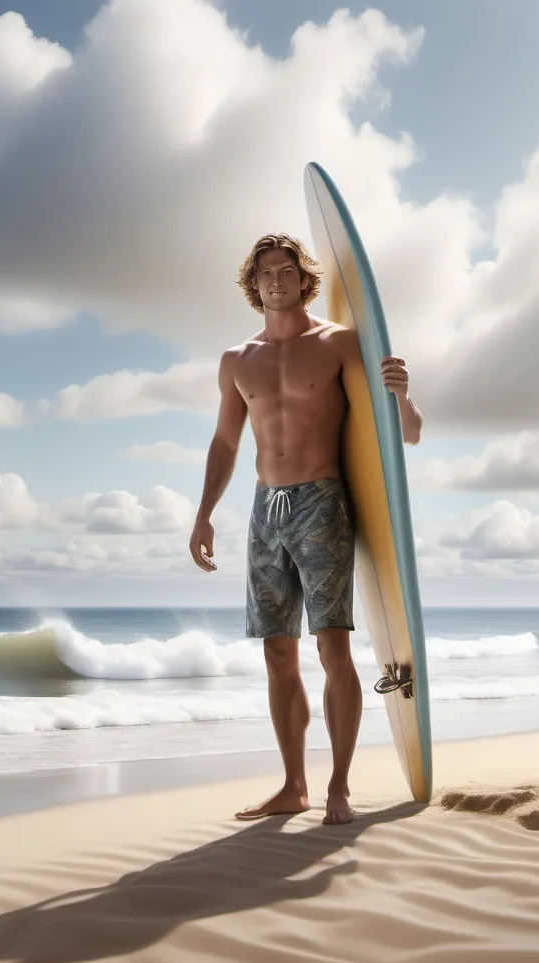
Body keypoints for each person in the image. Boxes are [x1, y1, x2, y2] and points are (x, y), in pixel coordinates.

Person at [189, 233, 422, 825]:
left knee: (332, 644)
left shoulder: (339, 343)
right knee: (276, 650)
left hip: (323, 500)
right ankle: (293, 785)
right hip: (265, 508)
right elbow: (225, 441)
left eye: (285, 269)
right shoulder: (237, 361)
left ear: (303, 277)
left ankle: (338, 787)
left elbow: (403, 435)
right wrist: (203, 512)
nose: (275, 279)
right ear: (252, 284)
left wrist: (402, 396)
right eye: (264, 272)